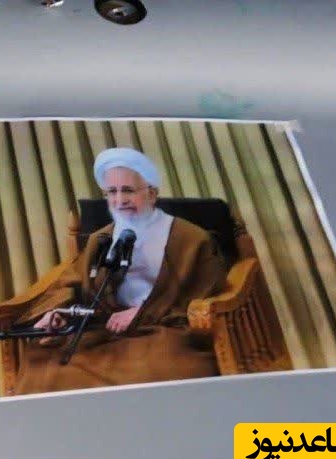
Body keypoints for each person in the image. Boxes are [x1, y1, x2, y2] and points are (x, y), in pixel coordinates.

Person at [14, 147, 227, 394]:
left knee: (160, 369)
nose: (119, 200)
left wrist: (141, 312)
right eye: (112, 192)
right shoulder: (100, 239)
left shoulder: (190, 238)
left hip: (164, 329)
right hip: (105, 328)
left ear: (152, 194)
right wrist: (60, 312)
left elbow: (206, 292)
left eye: (128, 190)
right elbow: (75, 284)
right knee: (43, 361)